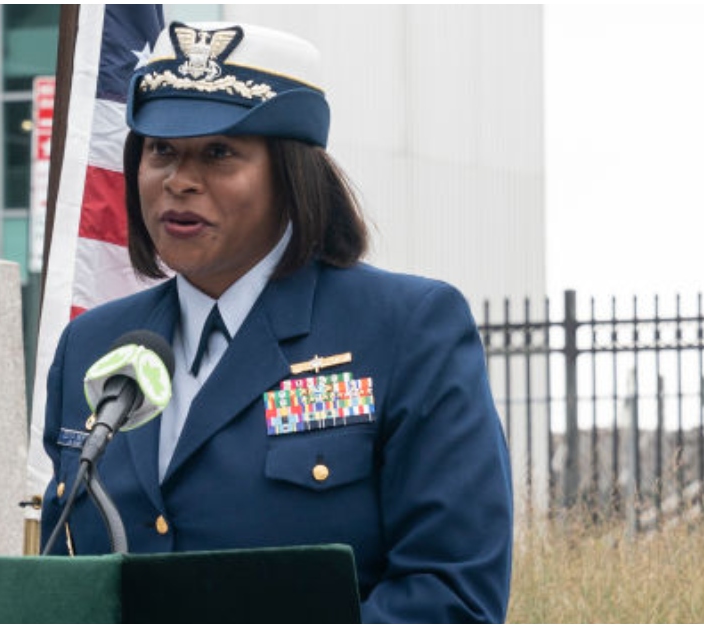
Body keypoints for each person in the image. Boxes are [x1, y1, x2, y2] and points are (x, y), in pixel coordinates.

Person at [40, 20, 513, 623]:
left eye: (219, 153)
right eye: (162, 151)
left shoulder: (407, 330)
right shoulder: (92, 345)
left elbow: (453, 596)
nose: (180, 181)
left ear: (290, 174)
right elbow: (65, 581)